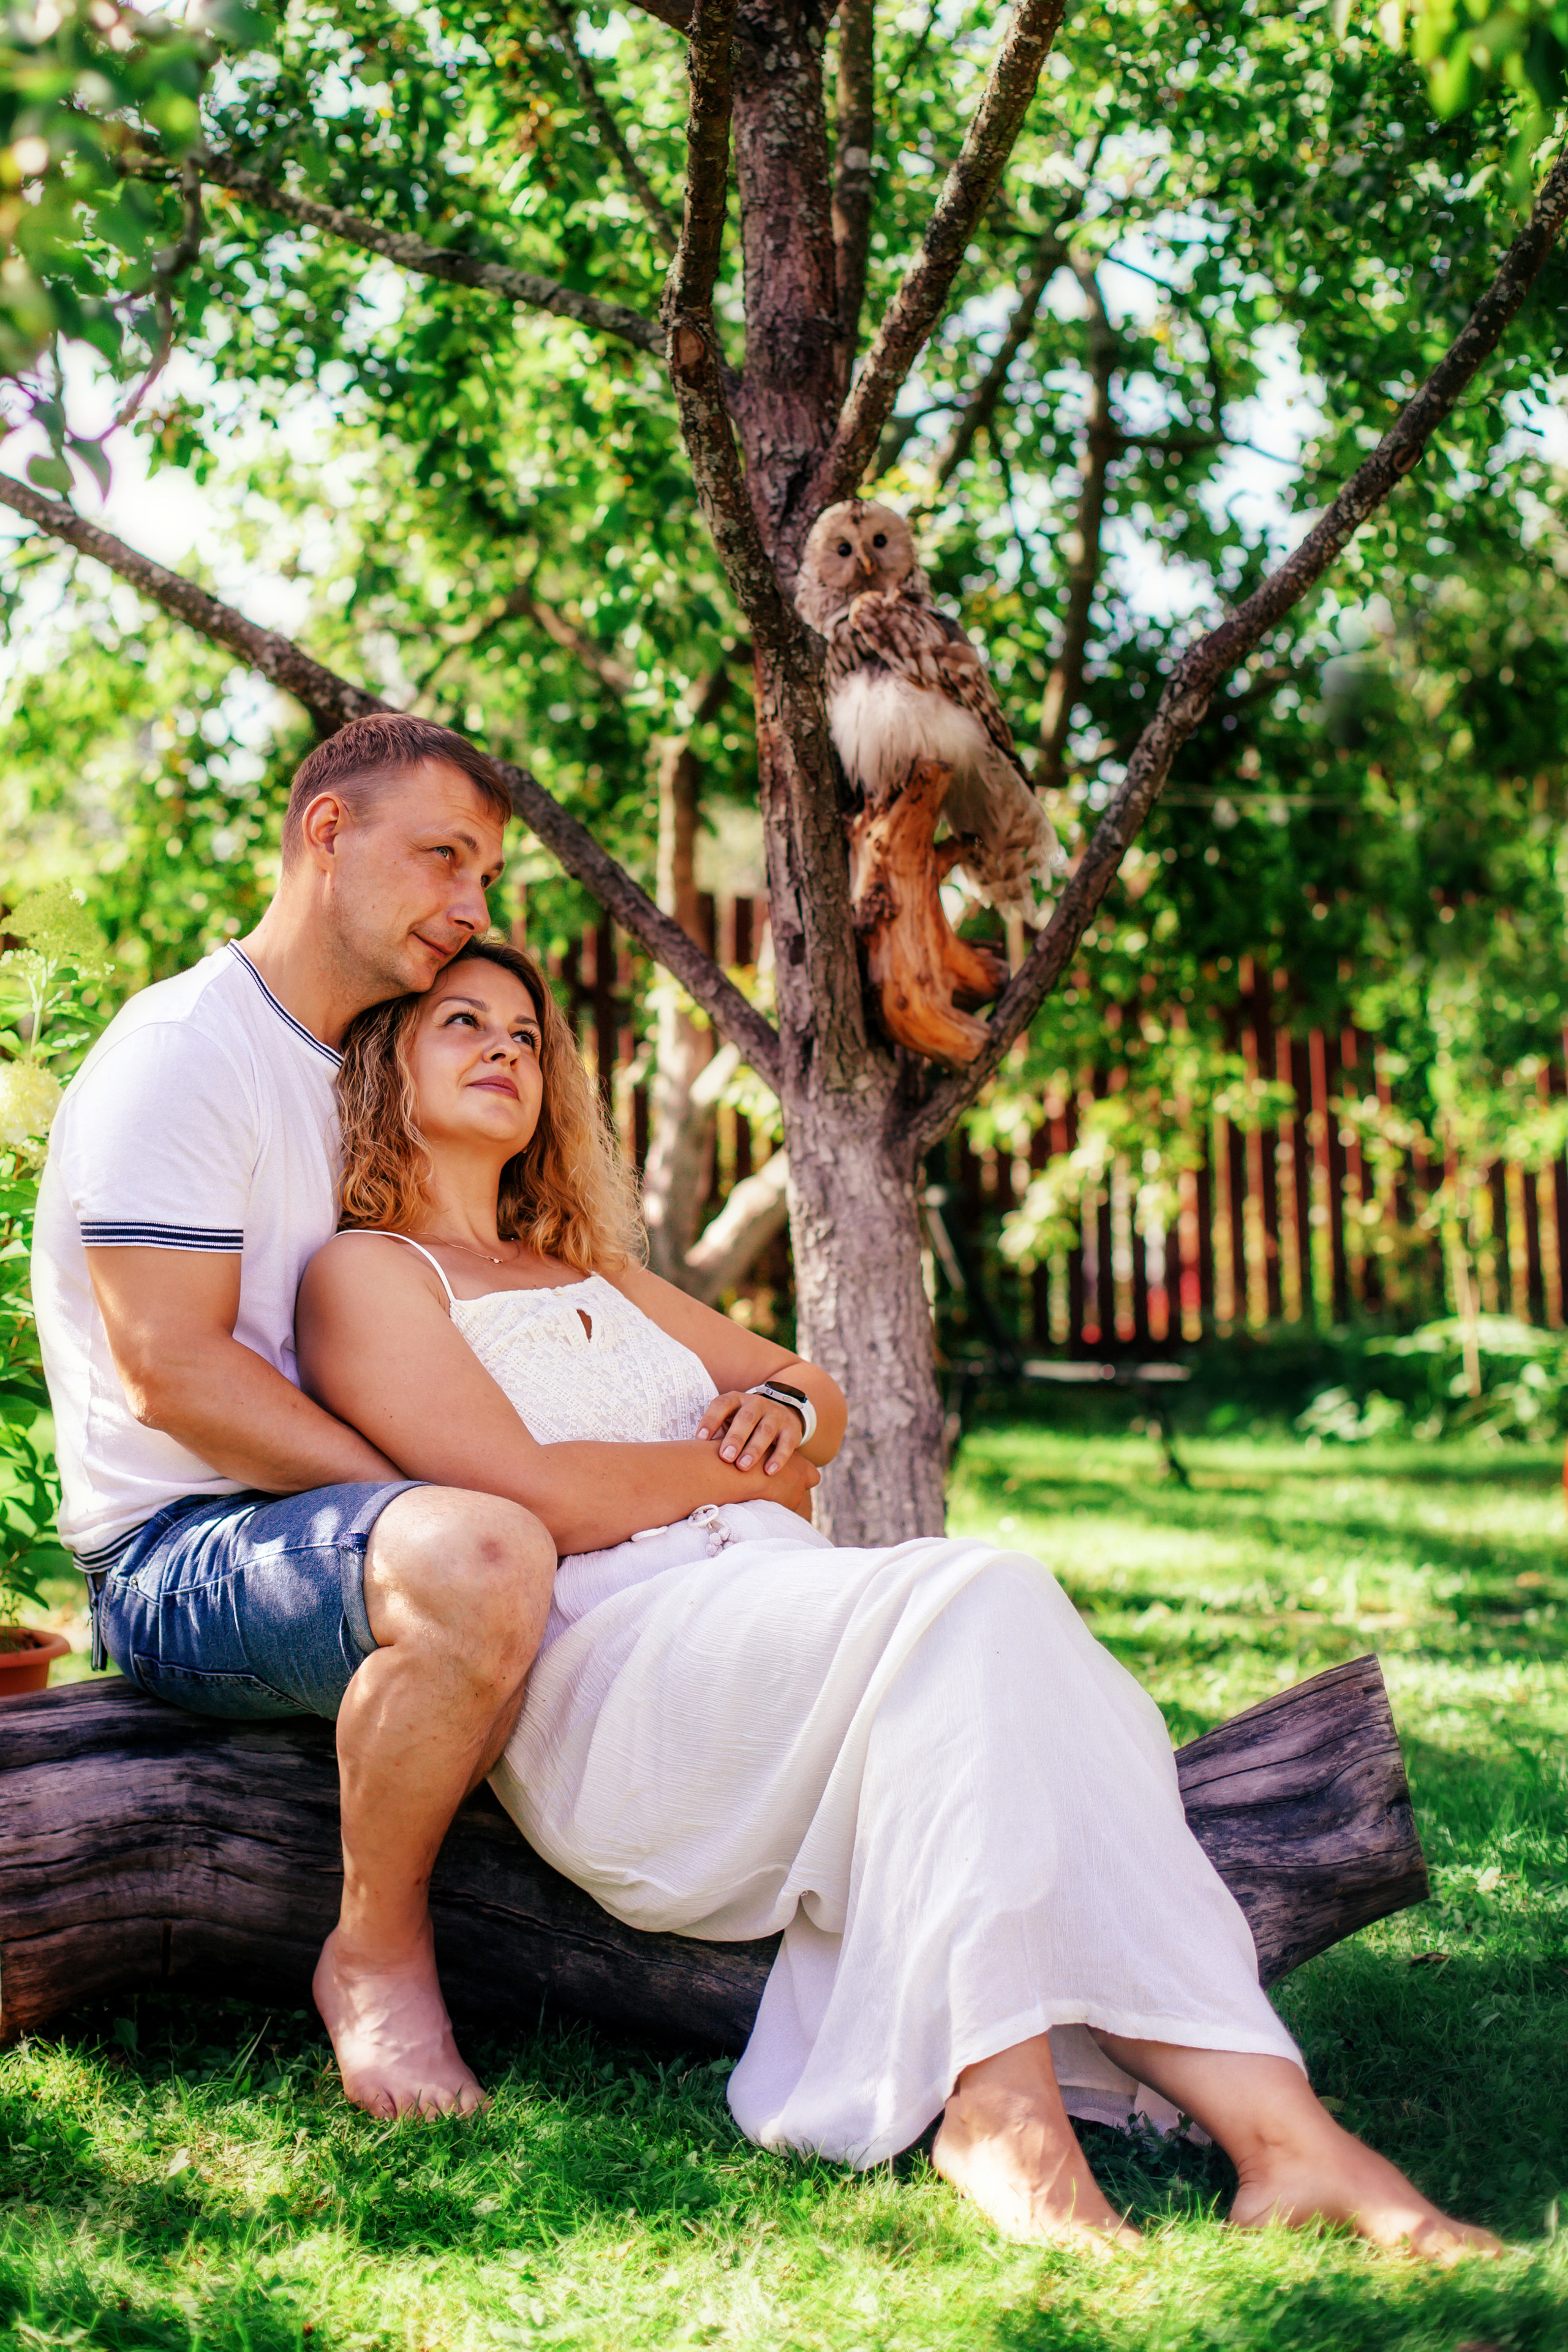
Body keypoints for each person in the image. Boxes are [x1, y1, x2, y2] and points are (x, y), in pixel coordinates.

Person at [293, 933, 1499, 2258]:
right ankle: (1027, 2110)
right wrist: (741, 1467)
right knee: (983, 1596)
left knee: (988, 1626)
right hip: (621, 1682)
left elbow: (813, 1395)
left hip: (780, 1617)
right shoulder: (367, 1274)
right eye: (463, 1023)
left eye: (526, 1036)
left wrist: (778, 1417)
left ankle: (1271, 2139)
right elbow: (528, 1496)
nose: (506, 1051)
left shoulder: (596, 1273)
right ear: (385, 1064)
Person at [32, 714, 557, 2124]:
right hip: (179, 1554)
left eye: (486, 875)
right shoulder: (184, 1054)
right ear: (328, 833)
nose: (471, 906)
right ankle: (373, 1952)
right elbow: (175, 1375)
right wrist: (432, 1502)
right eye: (444, 857)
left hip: (335, 1521)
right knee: (487, 1557)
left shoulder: (363, 1063)